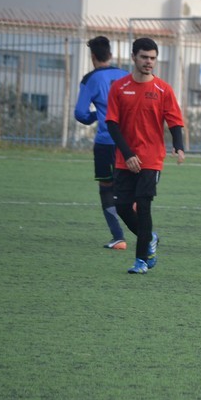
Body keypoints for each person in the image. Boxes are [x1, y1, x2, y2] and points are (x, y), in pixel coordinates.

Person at [105, 37, 185, 275]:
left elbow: (175, 121)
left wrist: (179, 146)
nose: (149, 62)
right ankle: (149, 237)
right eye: (144, 57)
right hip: (125, 159)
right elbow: (112, 124)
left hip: (151, 159)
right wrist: (128, 154)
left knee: (144, 205)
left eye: (152, 58)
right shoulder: (119, 88)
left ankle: (141, 260)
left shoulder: (163, 89)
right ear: (134, 57)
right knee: (122, 207)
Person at [74, 36, 129, 249]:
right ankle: (146, 233)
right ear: (111, 55)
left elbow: (80, 113)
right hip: (129, 142)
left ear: (93, 57)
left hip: (106, 142)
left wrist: (96, 116)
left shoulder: (91, 79)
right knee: (129, 188)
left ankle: (118, 237)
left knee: (106, 188)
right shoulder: (126, 76)